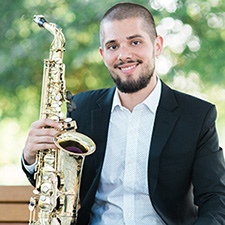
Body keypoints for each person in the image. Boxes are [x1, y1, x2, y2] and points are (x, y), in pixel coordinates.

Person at [22, 2, 225, 225]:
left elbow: (215, 199)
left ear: (157, 46)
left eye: (135, 42)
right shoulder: (83, 107)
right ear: (102, 54)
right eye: (112, 46)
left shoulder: (196, 115)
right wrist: (31, 157)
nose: (124, 55)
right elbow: (54, 184)